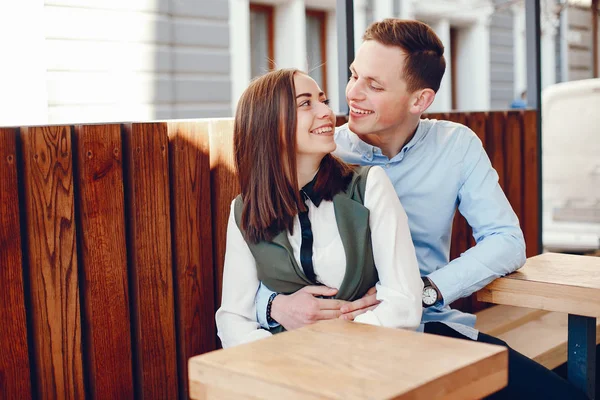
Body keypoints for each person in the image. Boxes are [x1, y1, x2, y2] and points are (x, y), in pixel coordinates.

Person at [255, 19, 588, 399]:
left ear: (420, 100)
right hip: (342, 340)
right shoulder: (321, 149)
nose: (352, 94)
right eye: (353, 76)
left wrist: (427, 291)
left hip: (433, 327)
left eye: (374, 85)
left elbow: (506, 239)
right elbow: (263, 249)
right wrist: (273, 306)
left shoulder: (455, 146)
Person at [215, 68, 424, 348]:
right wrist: (282, 360)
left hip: (364, 359)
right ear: (268, 125)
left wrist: (339, 341)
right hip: (283, 368)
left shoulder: (368, 186)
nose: (326, 112)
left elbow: (404, 303)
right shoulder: (244, 210)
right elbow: (232, 319)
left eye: (323, 101)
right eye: (305, 103)